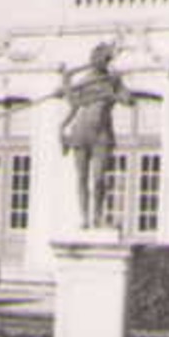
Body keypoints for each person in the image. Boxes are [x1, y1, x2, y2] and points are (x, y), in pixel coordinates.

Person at [59, 42, 134, 231]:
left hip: (102, 135)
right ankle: (84, 218)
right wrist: (66, 84)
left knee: (99, 178)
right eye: (100, 58)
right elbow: (74, 103)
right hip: (81, 132)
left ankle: (98, 217)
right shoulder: (85, 80)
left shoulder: (113, 80)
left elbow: (129, 100)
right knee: (82, 178)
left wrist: (113, 94)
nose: (103, 61)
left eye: (106, 59)